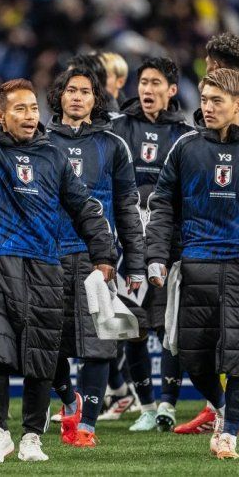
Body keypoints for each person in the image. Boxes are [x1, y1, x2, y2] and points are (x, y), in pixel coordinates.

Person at [0, 78, 116, 463]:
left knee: (41, 356)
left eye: (34, 108)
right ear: (0, 116)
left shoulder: (53, 155)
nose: (29, 116)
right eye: (19, 109)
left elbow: (83, 206)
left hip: (43, 265)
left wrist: (103, 253)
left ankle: (31, 438)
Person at [147, 68, 239, 459]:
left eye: (216, 101)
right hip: (198, 264)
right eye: (205, 100)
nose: (207, 108)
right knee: (193, 356)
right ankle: (227, 410)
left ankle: (229, 435)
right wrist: (157, 255)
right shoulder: (186, 146)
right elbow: (162, 205)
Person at [45, 67, 145, 447]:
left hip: (96, 259)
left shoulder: (113, 145)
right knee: (47, 343)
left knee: (99, 342)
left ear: (94, 100)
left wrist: (134, 260)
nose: (76, 97)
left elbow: (127, 208)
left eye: (85, 92)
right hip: (48, 256)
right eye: (70, 90)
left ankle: (86, 425)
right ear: (59, 96)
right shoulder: (40, 142)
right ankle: (69, 400)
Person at [110, 57, 193, 432]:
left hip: (170, 249)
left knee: (170, 330)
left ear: (171, 90)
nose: (148, 89)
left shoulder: (185, 135)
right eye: (143, 82)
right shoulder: (118, 130)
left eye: (156, 83)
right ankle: (145, 407)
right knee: (134, 329)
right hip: (128, 251)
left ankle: (168, 406)